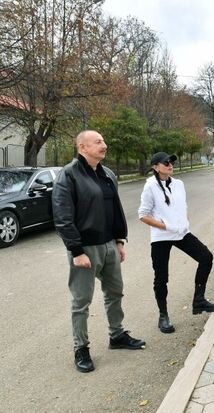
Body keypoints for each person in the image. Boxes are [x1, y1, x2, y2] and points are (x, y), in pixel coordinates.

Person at [52, 130, 145, 374]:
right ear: (82, 147)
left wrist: (119, 240)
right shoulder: (68, 175)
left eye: (104, 140)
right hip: (85, 249)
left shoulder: (108, 175)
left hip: (109, 246)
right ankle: (81, 348)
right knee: (81, 301)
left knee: (115, 292)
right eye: (98, 142)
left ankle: (117, 335)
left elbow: (115, 210)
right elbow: (62, 218)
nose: (105, 144)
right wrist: (76, 250)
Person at [138, 152, 214, 334]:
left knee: (206, 257)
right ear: (155, 167)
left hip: (182, 233)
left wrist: (183, 222)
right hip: (161, 236)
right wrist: (165, 225)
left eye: (171, 162)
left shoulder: (179, 184)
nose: (170, 165)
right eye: (166, 162)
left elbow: (181, 207)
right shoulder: (150, 186)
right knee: (161, 277)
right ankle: (163, 315)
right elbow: (143, 215)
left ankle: (199, 300)